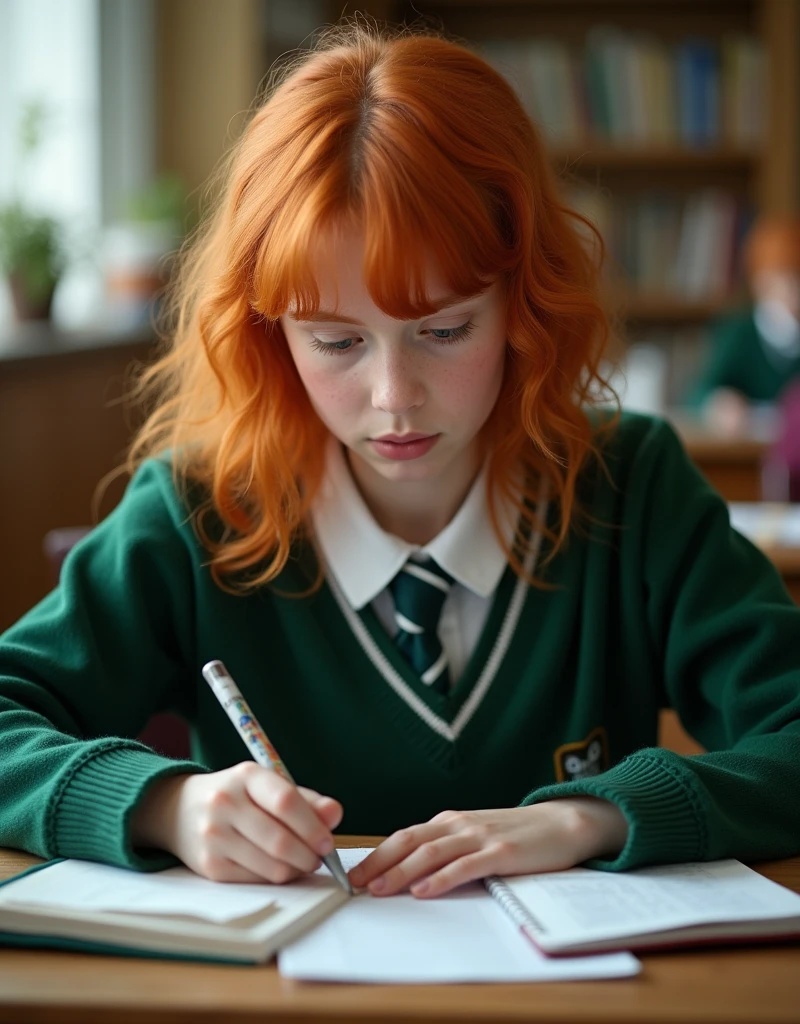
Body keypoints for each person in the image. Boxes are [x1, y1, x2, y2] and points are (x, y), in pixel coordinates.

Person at [0, 23, 798, 902]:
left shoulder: (633, 488)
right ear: (270, 336)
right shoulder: (198, 510)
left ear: (525, 304)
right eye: (336, 340)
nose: (394, 396)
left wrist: (594, 817)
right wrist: (165, 806)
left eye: (445, 330)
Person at [692, 215, 800, 435]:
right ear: (761, 282)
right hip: (747, 448)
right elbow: (699, 393)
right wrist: (720, 403)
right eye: (789, 281)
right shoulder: (739, 333)